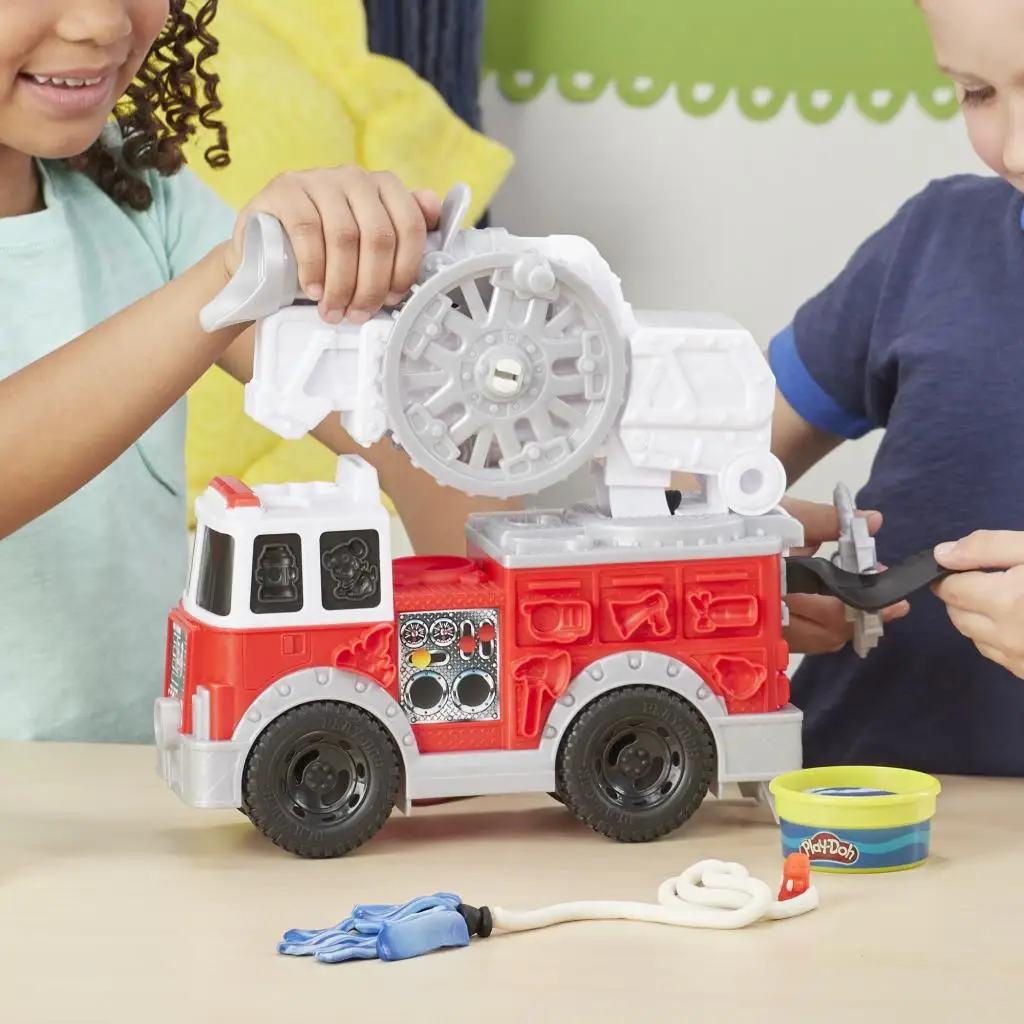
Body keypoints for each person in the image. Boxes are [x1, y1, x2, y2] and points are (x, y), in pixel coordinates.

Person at [0, 0, 508, 743]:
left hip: (145, 779)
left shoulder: (138, 193)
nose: (102, 24)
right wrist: (230, 278)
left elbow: (425, 453)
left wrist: (420, 328)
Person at [769, 0, 1024, 777]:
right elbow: (692, 482)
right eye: (977, 92)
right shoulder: (933, 241)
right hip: (835, 799)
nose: (1015, 148)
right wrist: (723, 555)